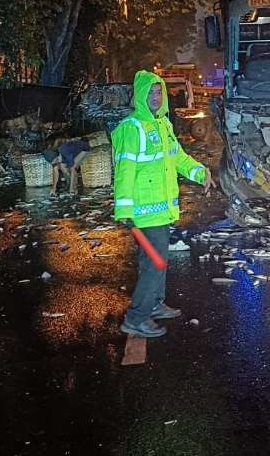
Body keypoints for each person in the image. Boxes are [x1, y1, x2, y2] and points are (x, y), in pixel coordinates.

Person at [112, 70, 215, 338]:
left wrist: (200, 172)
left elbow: (178, 158)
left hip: (159, 210)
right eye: (151, 92)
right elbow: (124, 170)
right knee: (155, 262)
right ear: (140, 96)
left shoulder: (163, 125)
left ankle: (154, 304)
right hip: (143, 213)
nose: (156, 97)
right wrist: (124, 210)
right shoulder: (132, 128)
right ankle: (136, 318)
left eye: (159, 91)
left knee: (156, 261)